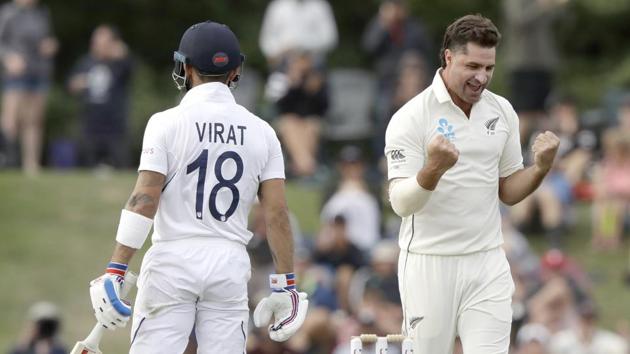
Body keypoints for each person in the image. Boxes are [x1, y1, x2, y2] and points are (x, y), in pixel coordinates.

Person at [85, 21, 308, 353]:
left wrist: (116, 268)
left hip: (173, 259)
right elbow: (276, 213)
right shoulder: (262, 132)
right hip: (229, 263)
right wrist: (286, 285)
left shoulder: (165, 123)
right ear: (235, 71)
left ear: (186, 67)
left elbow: (145, 198)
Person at [384, 14, 560, 353]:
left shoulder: (502, 111)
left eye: (489, 68)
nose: (482, 77)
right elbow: (402, 204)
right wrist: (433, 169)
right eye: (472, 66)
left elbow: (507, 191)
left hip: (487, 261)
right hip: (428, 263)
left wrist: (540, 168)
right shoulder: (412, 117)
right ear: (448, 57)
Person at [0, 0, 57, 175]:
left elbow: (47, 38)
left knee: (34, 120)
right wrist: (9, 58)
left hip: (38, 71)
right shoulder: (8, 12)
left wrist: (50, 46)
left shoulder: (41, 13)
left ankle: (31, 164)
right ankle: (7, 159)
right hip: (16, 72)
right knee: (11, 119)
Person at [68, 24, 133, 169]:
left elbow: (130, 71)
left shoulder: (119, 63)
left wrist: (122, 54)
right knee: (86, 167)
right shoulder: (86, 62)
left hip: (115, 127)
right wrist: (78, 83)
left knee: (122, 166)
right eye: (98, 42)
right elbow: (71, 84)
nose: (101, 46)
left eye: (105, 42)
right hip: (90, 125)